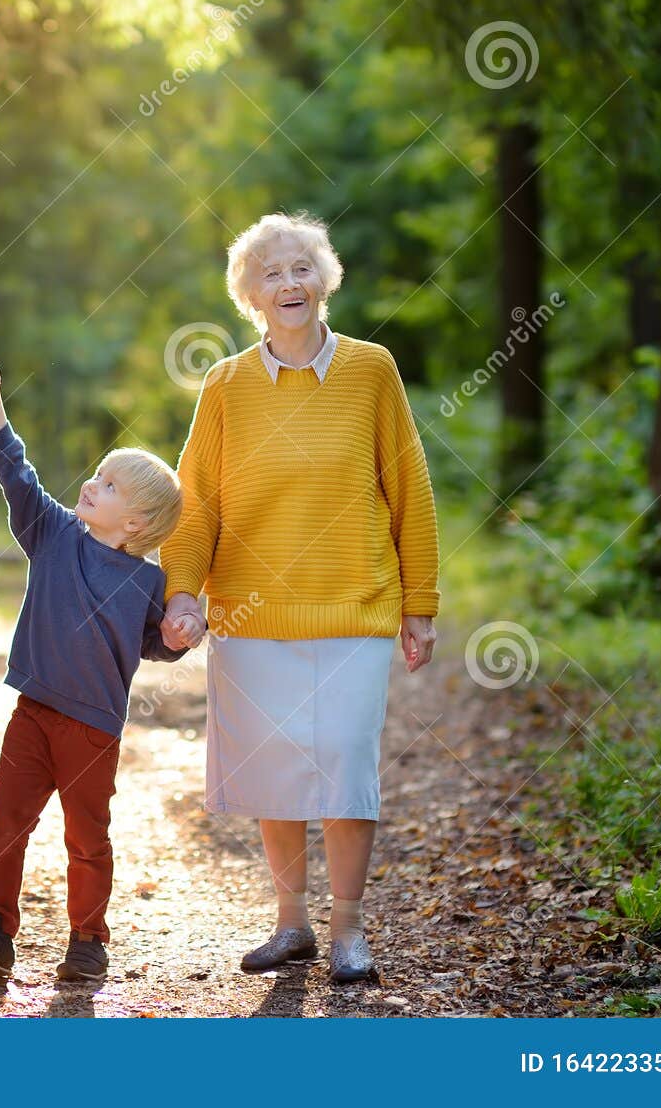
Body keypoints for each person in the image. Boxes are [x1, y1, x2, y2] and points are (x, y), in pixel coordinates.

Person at [157, 211, 440, 984]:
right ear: (250, 296)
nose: (290, 283)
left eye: (301, 268)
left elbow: (408, 488)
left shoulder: (372, 370)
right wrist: (183, 593)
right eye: (272, 274)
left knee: (347, 769)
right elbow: (198, 502)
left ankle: (349, 931)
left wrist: (422, 601)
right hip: (250, 616)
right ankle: (292, 925)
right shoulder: (225, 386)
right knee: (275, 773)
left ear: (325, 279)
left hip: (354, 608)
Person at [0, 339, 195, 983]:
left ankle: (87, 941)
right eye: (96, 474)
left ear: (138, 522)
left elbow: (153, 642)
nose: (91, 484)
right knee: (6, 822)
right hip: (33, 712)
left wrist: (176, 635)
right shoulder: (54, 533)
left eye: (109, 484)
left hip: (93, 730)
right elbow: (21, 481)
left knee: (87, 838)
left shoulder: (147, 582)